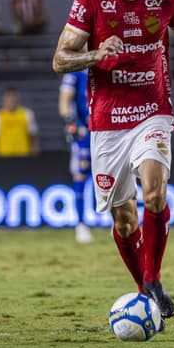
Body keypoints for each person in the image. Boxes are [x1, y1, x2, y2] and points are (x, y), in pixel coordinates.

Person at [52, 0, 174, 326]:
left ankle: (152, 282)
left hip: (152, 111)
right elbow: (59, 60)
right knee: (124, 219)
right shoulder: (90, 2)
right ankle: (145, 289)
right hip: (106, 122)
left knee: (154, 191)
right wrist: (97, 54)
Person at [59, 69, 94, 244]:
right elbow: (64, 101)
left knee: (113, 175)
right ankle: (81, 224)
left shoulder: (106, 64)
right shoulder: (75, 73)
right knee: (80, 174)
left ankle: (117, 222)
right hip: (84, 132)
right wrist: (70, 122)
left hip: (107, 129)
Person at [0, 87, 40, 157]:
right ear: (4, 98)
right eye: (8, 96)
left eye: (14, 96)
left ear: (18, 98)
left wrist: (35, 153)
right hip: (4, 156)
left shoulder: (27, 113)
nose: (11, 99)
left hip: (24, 155)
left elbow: (33, 136)